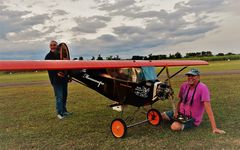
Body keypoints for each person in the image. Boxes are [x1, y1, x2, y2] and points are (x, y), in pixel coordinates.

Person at [161, 68, 225, 134]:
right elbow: (180, 100)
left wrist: (214, 128)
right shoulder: (184, 85)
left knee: (174, 127)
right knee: (161, 115)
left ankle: (178, 122)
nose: (190, 78)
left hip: (192, 118)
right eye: (189, 76)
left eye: (193, 76)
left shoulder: (203, 88)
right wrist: (176, 111)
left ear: (198, 77)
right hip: (180, 113)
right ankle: (176, 119)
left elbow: (208, 109)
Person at [45, 40, 71, 119]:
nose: (53, 46)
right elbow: (49, 68)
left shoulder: (61, 55)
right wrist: (56, 73)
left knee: (64, 95)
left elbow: (67, 66)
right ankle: (59, 113)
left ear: (57, 46)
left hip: (64, 79)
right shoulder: (48, 56)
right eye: (51, 45)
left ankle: (64, 111)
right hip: (56, 80)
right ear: (50, 46)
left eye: (54, 45)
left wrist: (69, 76)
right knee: (59, 96)